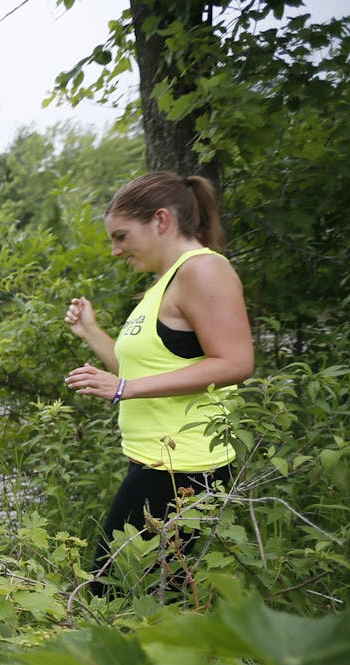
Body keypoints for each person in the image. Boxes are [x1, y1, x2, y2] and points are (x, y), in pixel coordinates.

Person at [64, 172, 253, 595]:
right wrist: (92, 333)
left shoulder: (203, 270)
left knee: (109, 592)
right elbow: (147, 372)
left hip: (184, 468)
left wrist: (123, 388)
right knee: (148, 598)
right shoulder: (162, 284)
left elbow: (236, 362)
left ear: (161, 220)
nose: (116, 250)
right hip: (155, 464)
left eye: (121, 236)